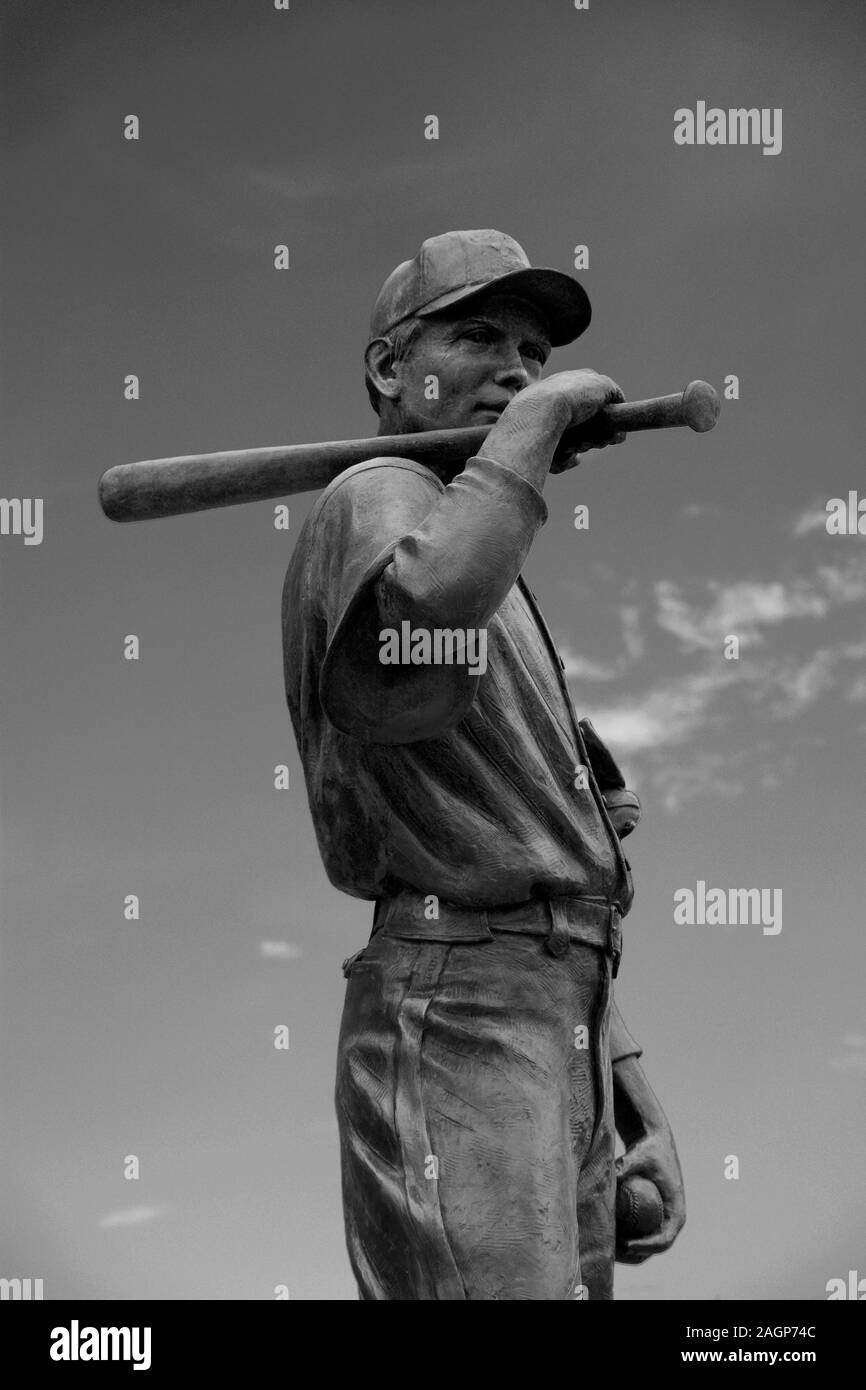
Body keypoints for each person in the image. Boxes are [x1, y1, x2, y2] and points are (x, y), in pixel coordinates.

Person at [281, 229, 685, 1300]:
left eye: (534, 356)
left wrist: (628, 1094)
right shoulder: (378, 499)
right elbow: (410, 642)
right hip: (458, 1018)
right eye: (478, 336)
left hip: (558, 1018)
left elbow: (543, 863)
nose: (517, 366)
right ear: (388, 369)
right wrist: (533, 431)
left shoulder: (483, 549)